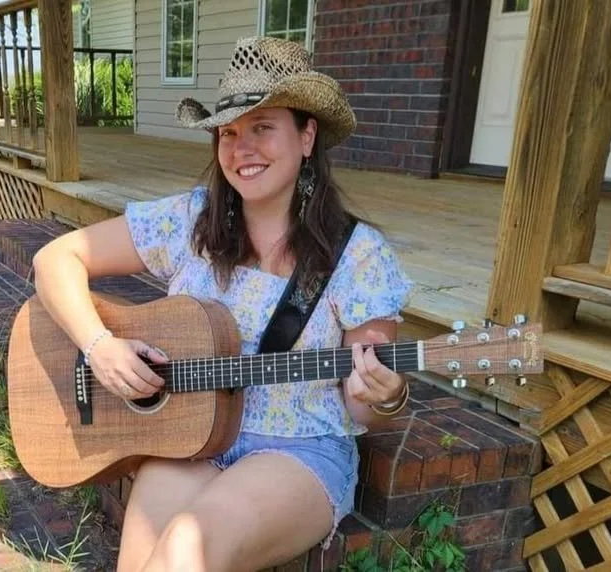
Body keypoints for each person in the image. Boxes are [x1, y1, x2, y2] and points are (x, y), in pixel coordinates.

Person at [31, 36, 414, 572]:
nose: (241, 148)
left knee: (185, 547)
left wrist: (384, 395)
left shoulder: (358, 256)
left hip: (299, 449)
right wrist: (99, 347)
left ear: (307, 136)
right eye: (229, 132)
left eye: (263, 128)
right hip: (193, 438)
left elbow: (363, 411)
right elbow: (55, 259)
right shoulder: (190, 220)